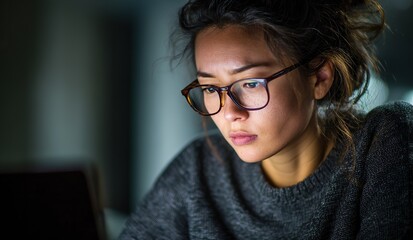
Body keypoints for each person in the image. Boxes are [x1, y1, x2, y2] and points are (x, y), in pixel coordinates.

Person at [118, 0, 413, 239]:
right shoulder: (197, 170)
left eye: (251, 83)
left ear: (320, 77)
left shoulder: (383, 143)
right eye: (210, 88)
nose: (229, 113)